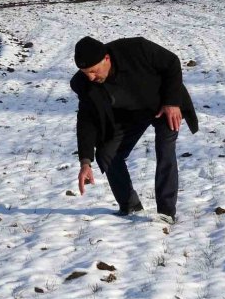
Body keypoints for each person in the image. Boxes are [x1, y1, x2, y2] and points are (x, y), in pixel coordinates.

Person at [70, 36, 198, 225]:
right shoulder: (83, 83)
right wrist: (85, 162)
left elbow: (171, 62)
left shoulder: (137, 49)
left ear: (106, 59)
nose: (90, 77)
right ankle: (130, 205)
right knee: (107, 154)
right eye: (85, 72)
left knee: (165, 149)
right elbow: (86, 120)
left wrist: (172, 102)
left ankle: (166, 212)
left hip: (163, 104)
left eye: (93, 71)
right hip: (128, 114)